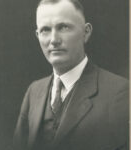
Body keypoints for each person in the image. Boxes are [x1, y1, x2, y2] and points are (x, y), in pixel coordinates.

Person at [13, 0, 129, 150]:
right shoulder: (34, 91)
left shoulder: (120, 93)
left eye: (63, 27)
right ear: (37, 35)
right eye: (45, 30)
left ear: (86, 32)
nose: (54, 40)